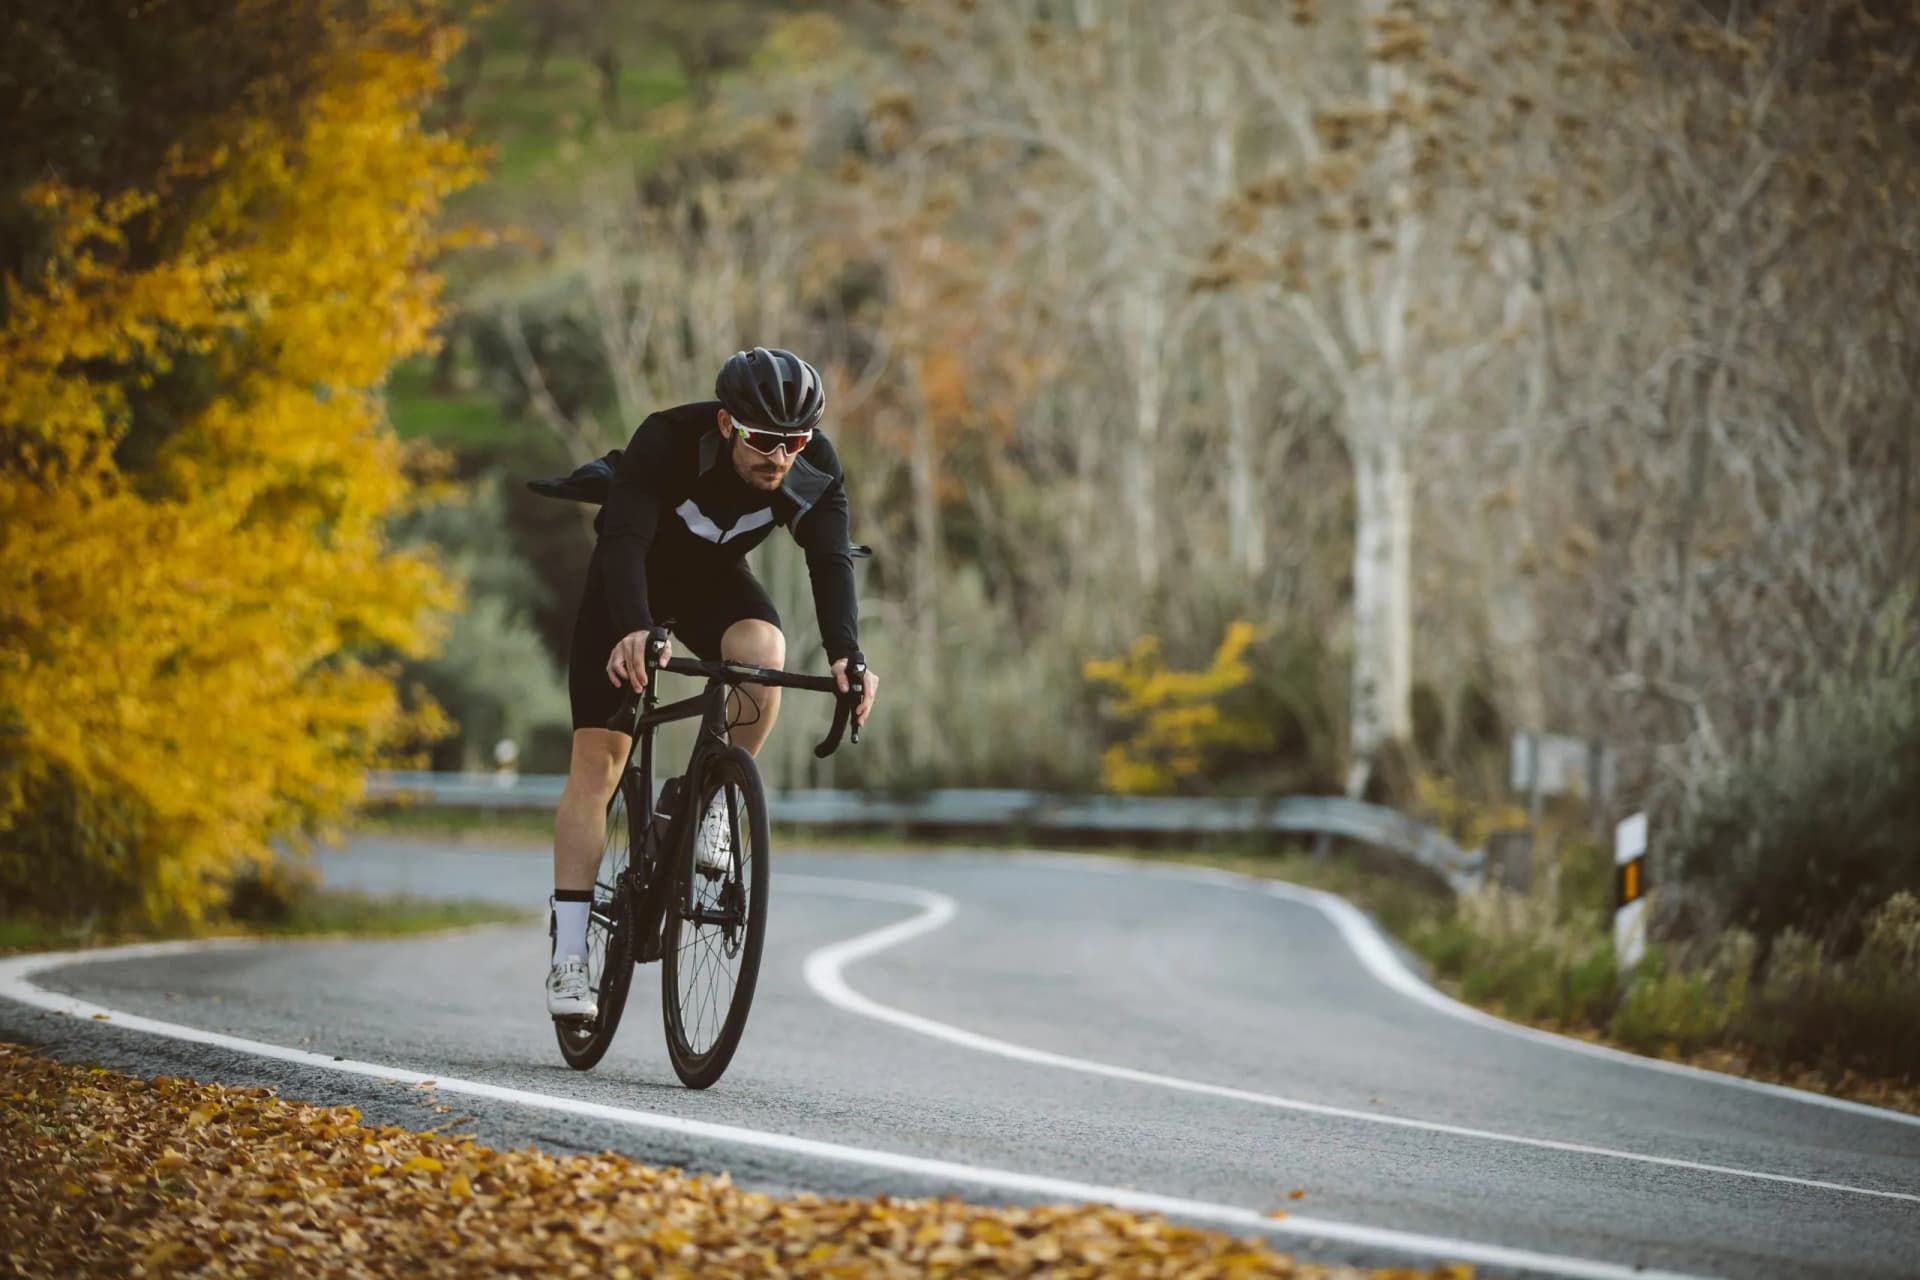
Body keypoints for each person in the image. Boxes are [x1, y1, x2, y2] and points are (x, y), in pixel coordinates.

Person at [542, 347, 879, 1021]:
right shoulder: (667, 441)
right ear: (727, 425)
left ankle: (714, 798)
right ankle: (569, 957)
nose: (778, 457)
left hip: (709, 587)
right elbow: (625, 543)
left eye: (794, 442)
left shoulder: (812, 468)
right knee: (598, 761)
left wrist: (848, 654)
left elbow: (830, 560)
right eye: (762, 440)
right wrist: (635, 630)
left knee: (763, 650)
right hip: (629, 585)